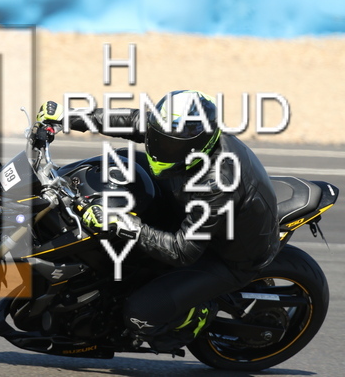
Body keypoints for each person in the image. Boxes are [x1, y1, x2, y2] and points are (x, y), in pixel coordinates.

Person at [36, 90, 280, 352]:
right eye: (158, 138)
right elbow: (131, 121)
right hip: (187, 207)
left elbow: (183, 251)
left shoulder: (218, 184)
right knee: (123, 164)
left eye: (170, 145)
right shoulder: (177, 132)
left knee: (139, 315)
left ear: (196, 147)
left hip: (223, 255)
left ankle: (197, 314)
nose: (160, 146)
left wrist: (124, 223)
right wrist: (67, 117)